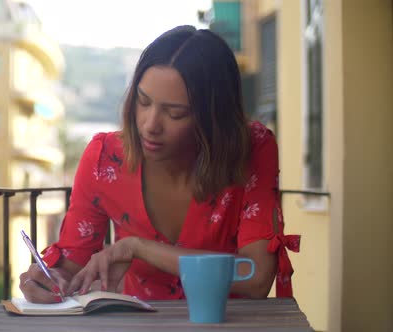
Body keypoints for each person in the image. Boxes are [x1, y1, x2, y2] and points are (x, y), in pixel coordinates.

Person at [19, 25, 300, 304]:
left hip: (229, 324)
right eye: (143, 101)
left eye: (175, 113)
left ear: (214, 118)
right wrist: (47, 280)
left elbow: (256, 278)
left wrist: (137, 248)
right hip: (142, 323)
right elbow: (71, 265)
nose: (150, 125)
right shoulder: (104, 158)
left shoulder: (252, 148)